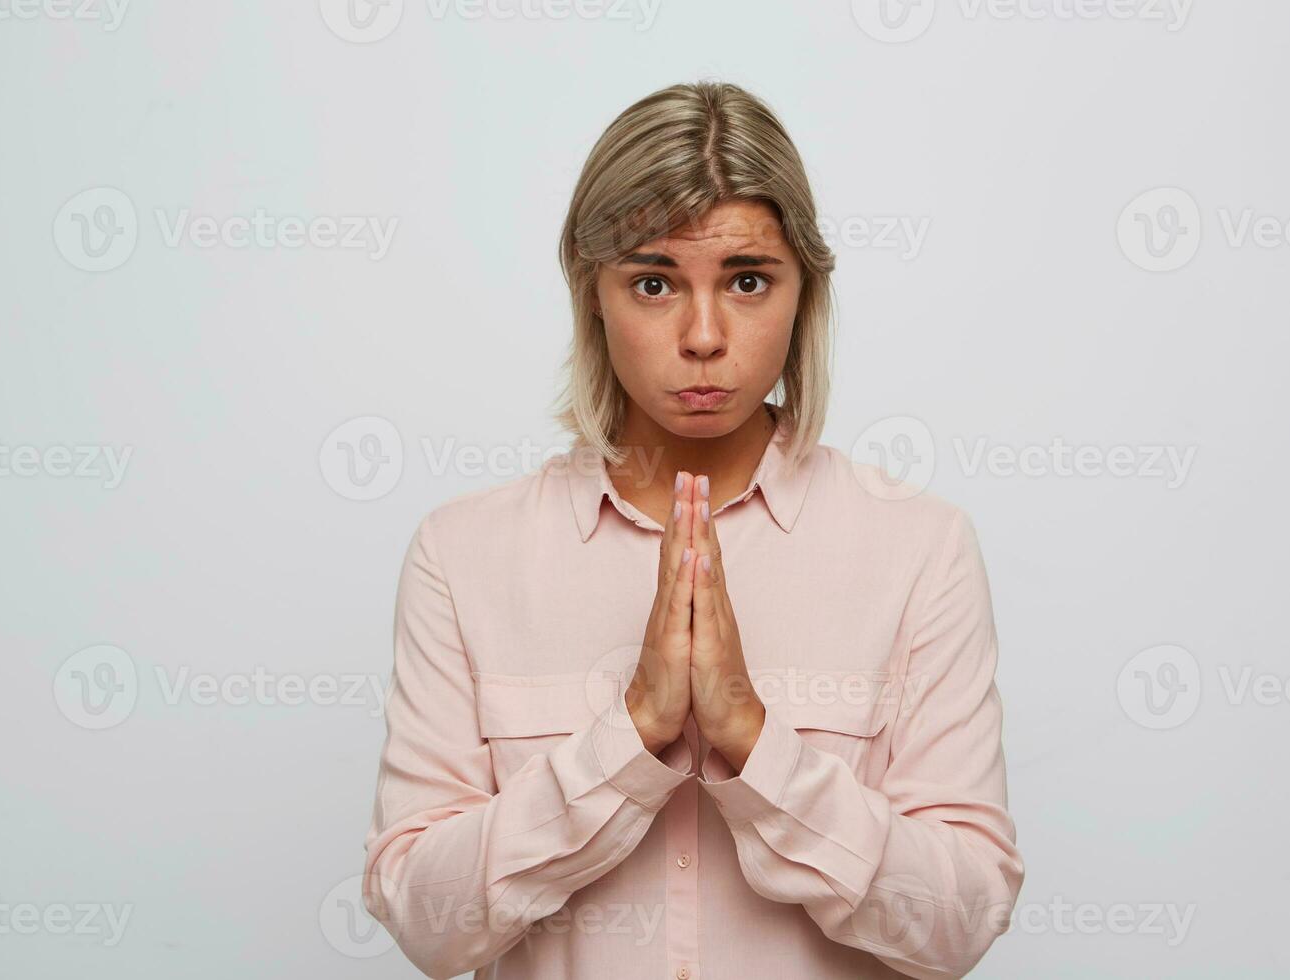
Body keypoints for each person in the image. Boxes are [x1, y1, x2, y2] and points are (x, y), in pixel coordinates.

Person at [361, 79, 1024, 979]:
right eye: (654, 282)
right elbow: (424, 921)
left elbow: (961, 922)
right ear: (592, 293)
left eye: (747, 280)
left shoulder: (920, 549)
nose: (704, 335)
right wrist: (630, 736)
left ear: (804, 296)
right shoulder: (463, 554)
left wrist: (754, 740)